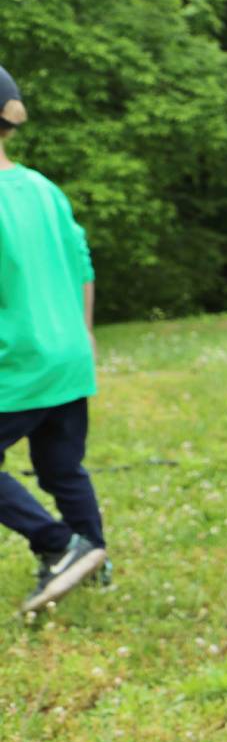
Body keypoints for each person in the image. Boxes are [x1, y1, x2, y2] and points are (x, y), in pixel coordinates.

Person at [0, 64, 108, 612]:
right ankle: (95, 563)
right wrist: (83, 334)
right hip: (67, 356)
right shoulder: (42, 188)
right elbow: (81, 263)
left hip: (14, 366)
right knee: (63, 468)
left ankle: (60, 544)